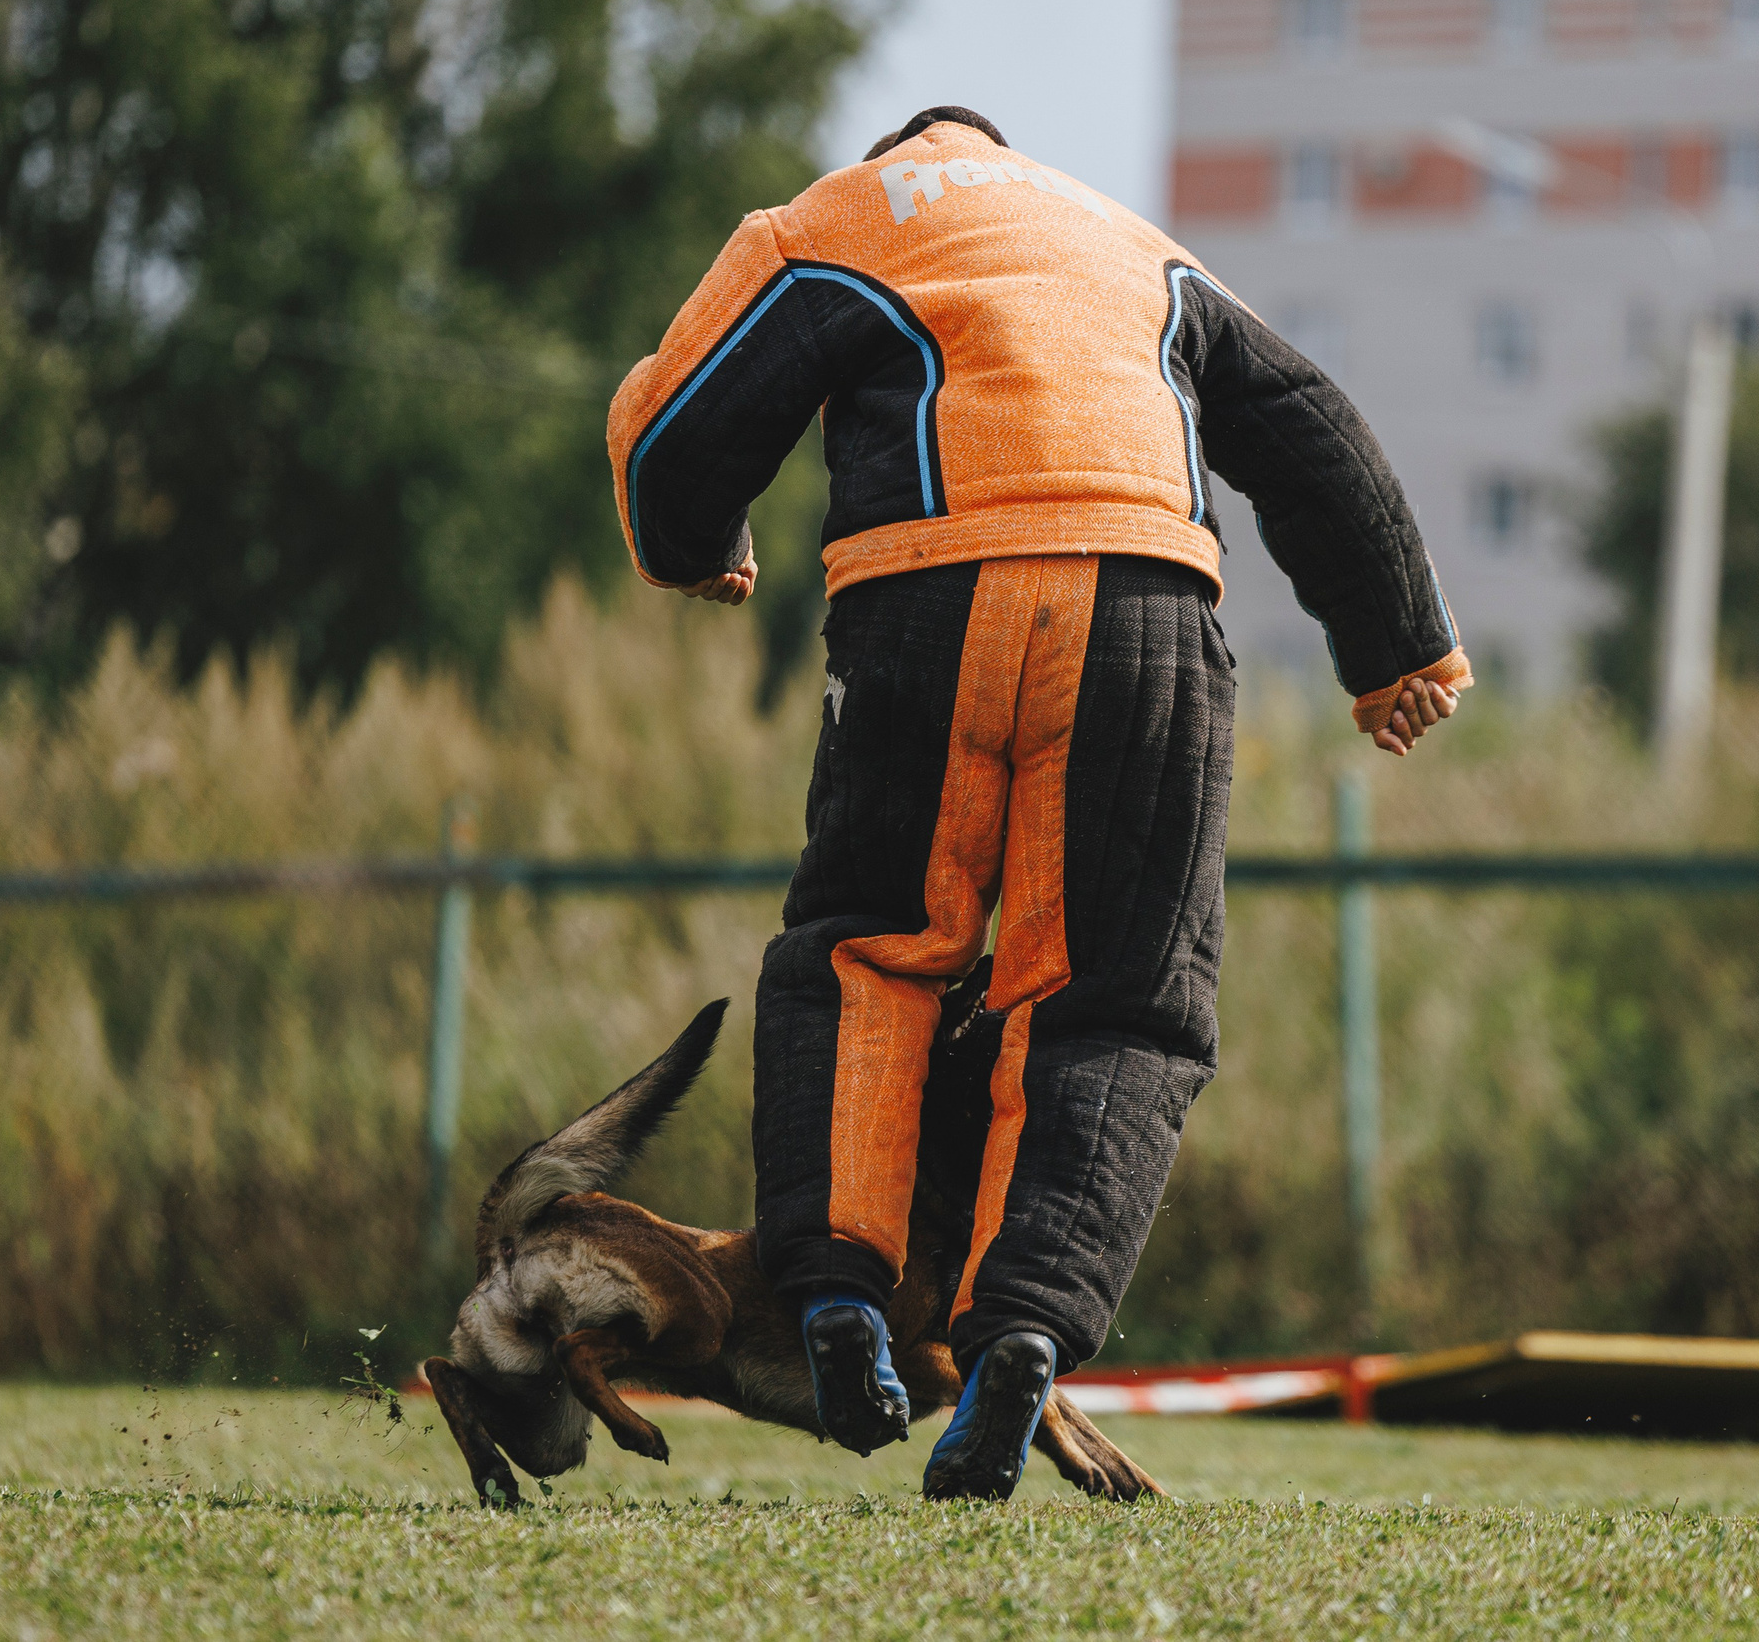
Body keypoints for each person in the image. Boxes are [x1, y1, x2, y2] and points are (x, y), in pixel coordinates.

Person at [606, 105, 1463, 1500]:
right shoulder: (1133, 244)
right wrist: (1398, 652)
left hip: (924, 597)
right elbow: (1310, 423)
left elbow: (671, 428)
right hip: (1146, 605)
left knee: (868, 948)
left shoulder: (829, 224)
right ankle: (1024, 1334)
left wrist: (693, 548)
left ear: (901, 153)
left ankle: (835, 1295)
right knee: (1117, 1001)